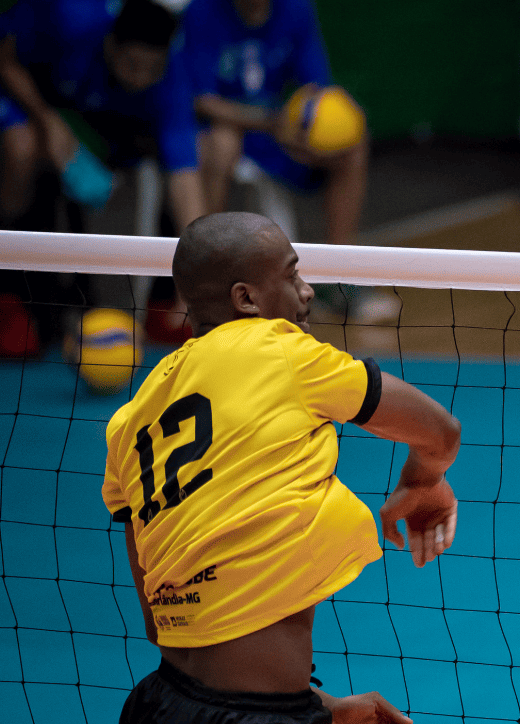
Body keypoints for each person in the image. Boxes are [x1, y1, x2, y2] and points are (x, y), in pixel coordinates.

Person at [102, 212, 462, 723]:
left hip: (159, 704)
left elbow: (163, 625)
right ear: (247, 300)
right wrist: (423, 481)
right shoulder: (279, 350)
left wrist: (322, 709)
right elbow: (440, 431)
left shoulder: (129, 423)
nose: (308, 290)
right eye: (292, 275)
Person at [179, 0, 393, 322]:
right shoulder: (202, 12)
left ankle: (336, 278)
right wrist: (271, 121)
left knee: (352, 145)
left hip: (278, 131)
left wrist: (311, 128)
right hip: (230, 130)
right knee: (220, 145)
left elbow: (317, 88)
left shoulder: (295, 9)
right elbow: (203, 102)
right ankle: (212, 280)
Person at [0, 0, 204, 230]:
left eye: (153, 69)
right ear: (111, 45)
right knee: (22, 146)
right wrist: (48, 122)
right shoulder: (71, 24)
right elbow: (6, 60)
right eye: (132, 65)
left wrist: (201, 254)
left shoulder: (172, 77)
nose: (141, 78)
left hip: (90, 123)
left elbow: (184, 175)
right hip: (25, 95)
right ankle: (6, 241)